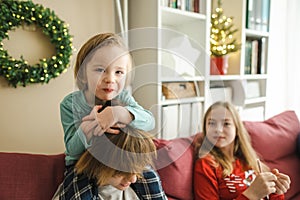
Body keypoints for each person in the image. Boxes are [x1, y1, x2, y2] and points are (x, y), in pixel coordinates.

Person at [57, 33, 166, 199]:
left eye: (119, 72)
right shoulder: (70, 104)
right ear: (83, 73)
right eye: (100, 70)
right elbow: (71, 149)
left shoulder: (122, 98)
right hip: (83, 163)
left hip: (120, 158)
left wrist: (121, 113)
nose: (110, 79)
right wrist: (86, 130)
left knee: (150, 177)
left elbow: (150, 121)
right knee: (78, 190)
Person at [193, 101, 291, 200]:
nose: (218, 129)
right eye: (212, 123)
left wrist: (277, 191)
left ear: (237, 128)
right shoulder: (206, 164)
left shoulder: (249, 160)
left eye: (226, 123)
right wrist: (251, 195)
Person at [53, 125, 157, 199]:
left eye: (137, 171)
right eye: (121, 173)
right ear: (99, 164)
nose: (133, 179)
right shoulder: (76, 192)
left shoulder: (145, 183)